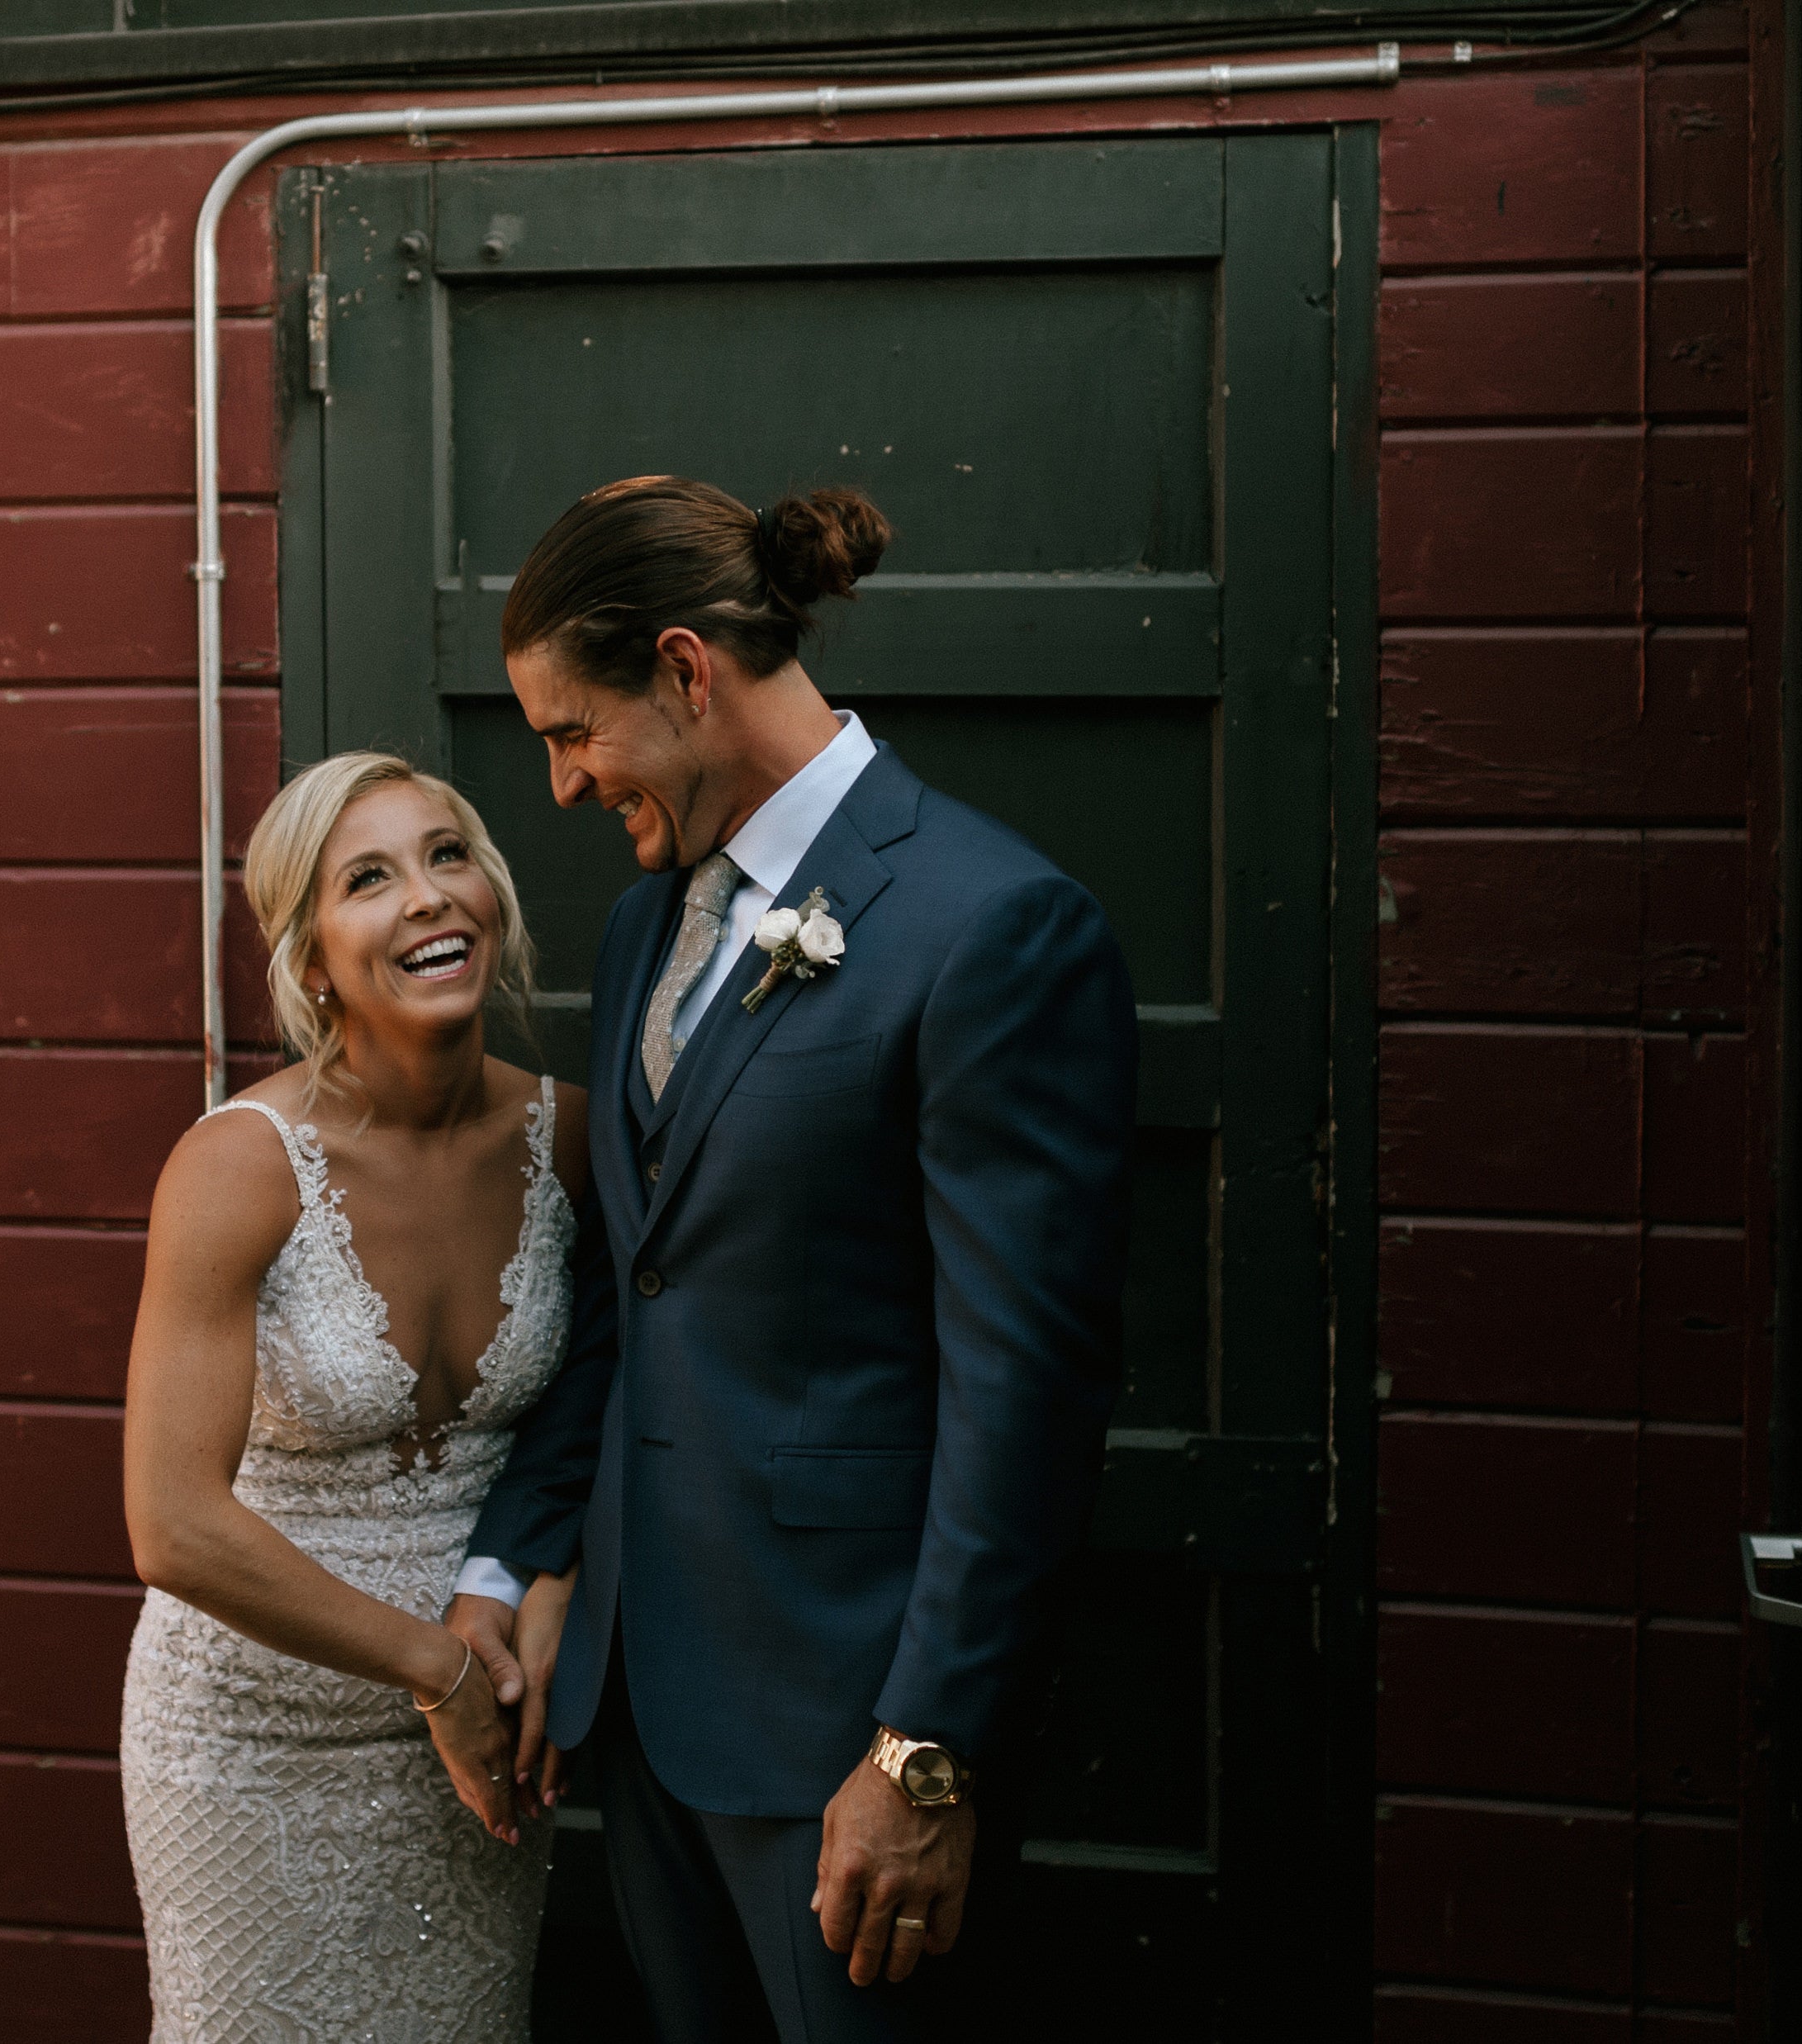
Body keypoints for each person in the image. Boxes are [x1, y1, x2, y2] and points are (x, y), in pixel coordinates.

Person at [444, 477, 1138, 2042]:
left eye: (572, 732)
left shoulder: (993, 928)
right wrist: (522, 1552)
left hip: (851, 1742)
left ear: (687, 673)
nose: (557, 786)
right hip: (646, 1712)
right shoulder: (645, 931)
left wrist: (922, 1758)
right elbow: (638, 1292)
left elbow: (1026, 1395)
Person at [119, 750, 609, 2042]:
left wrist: (547, 1581)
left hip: (479, 1752)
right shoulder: (237, 1167)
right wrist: (433, 1670)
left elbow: (616, 1399)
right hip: (248, 1741)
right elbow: (171, 1522)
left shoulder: (579, 1138)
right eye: (370, 878)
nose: (428, 898)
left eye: (449, 857)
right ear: (313, 957)